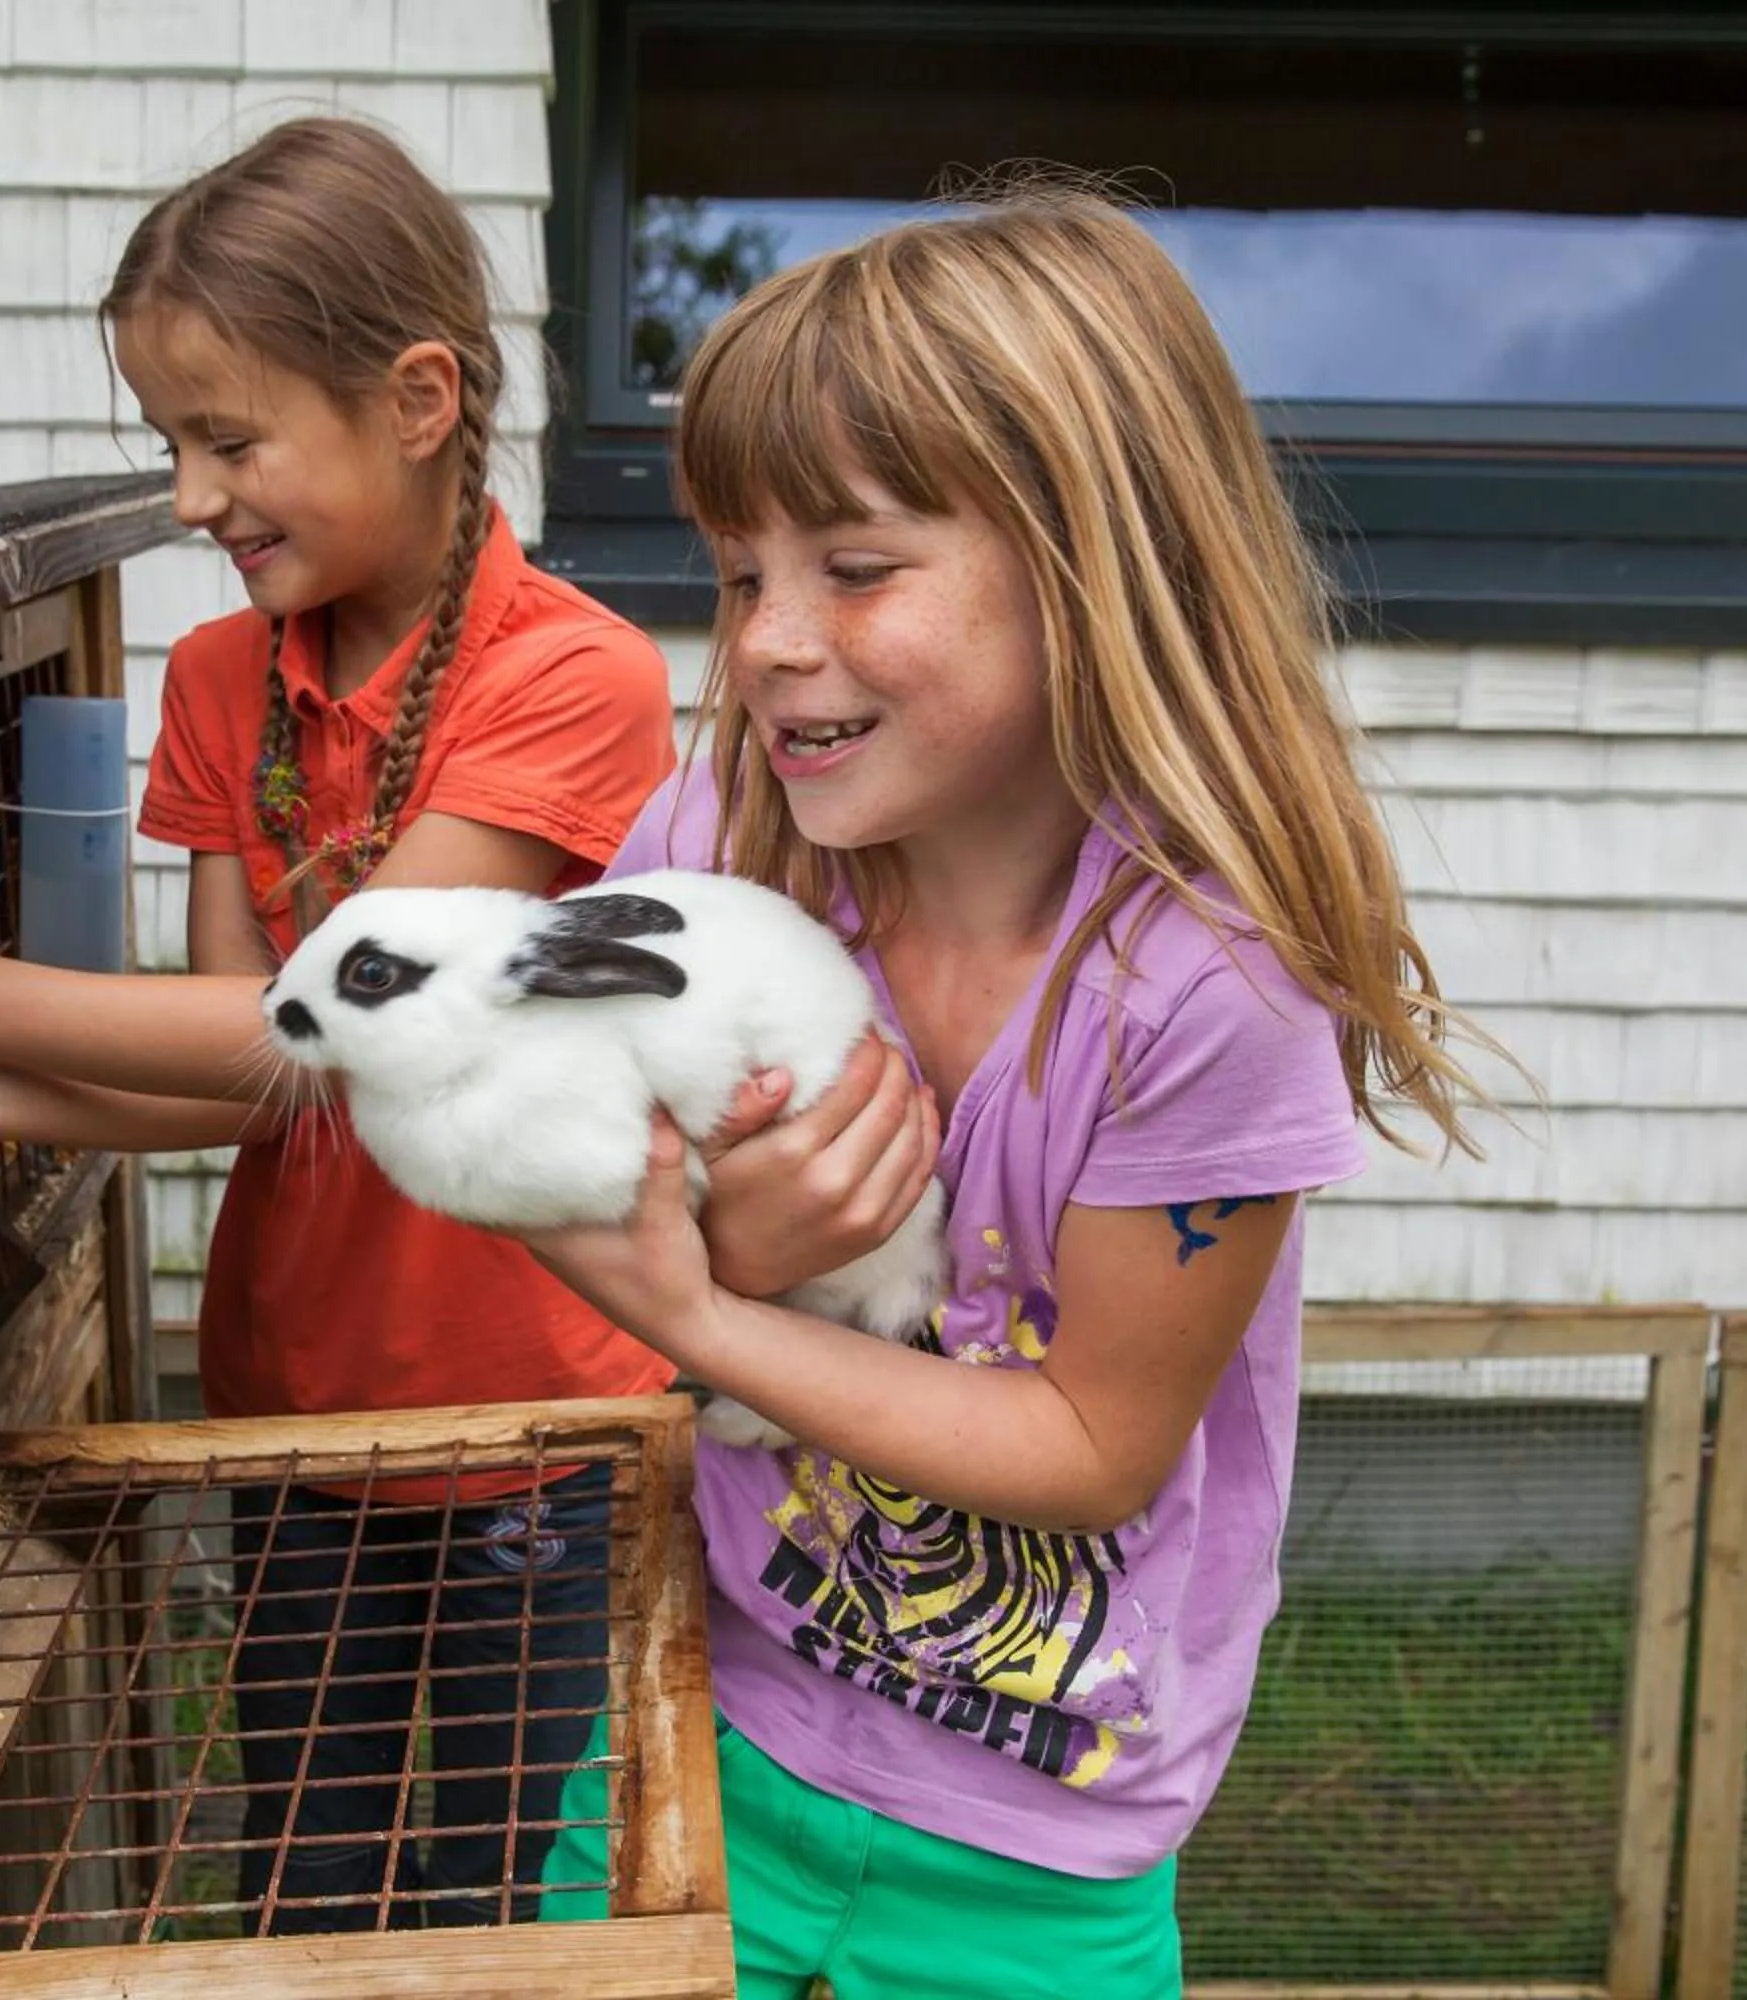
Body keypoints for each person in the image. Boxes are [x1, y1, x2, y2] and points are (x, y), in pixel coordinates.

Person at [0, 117, 677, 1933]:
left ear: (418, 398)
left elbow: (333, 1027)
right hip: (287, 1409)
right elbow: (249, 1075)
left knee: (504, 1893)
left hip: (540, 1425)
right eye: (172, 441)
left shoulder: (570, 675)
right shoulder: (216, 678)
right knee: (305, 1873)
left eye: (231, 438)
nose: (190, 497)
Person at [522, 189, 1504, 1997]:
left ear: (1089, 561)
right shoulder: (720, 837)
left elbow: (1087, 1446)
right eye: (741, 574)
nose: (759, 642)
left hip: (1039, 1847)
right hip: (699, 1721)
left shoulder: (1215, 980)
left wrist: (693, 1306)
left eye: (856, 568)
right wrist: (715, 1245)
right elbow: (555, 1143)